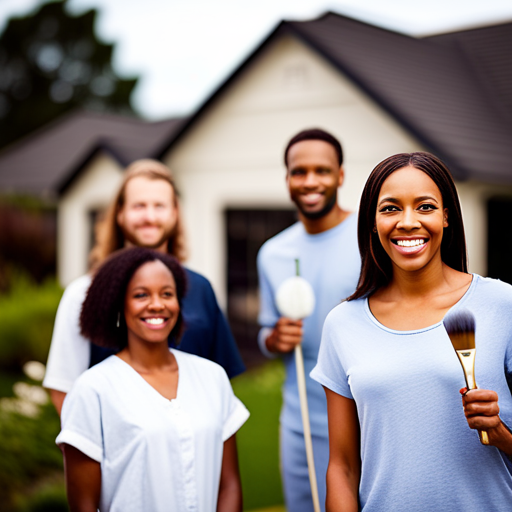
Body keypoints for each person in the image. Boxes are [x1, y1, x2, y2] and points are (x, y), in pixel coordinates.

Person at [311, 152, 512, 511]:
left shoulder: (502, 303)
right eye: (390, 208)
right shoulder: (342, 324)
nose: (407, 222)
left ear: (446, 216)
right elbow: (342, 467)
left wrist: (499, 434)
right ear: (372, 222)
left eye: (425, 207)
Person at [44, 159, 245, 414]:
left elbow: (220, 386)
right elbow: (64, 391)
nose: (149, 217)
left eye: (159, 206)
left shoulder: (201, 288)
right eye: (139, 206)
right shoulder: (83, 293)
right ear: (120, 214)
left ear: (174, 213)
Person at [56, 247, 249, 512]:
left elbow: (228, 485)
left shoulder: (212, 377)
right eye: (141, 294)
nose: (157, 304)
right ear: (118, 305)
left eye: (167, 294)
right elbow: (83, 506)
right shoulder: (93, 390)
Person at [257, 128, 360, 511]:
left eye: (322, 170)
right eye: (299, 172)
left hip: (368, 421)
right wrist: (274, 338)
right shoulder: (272, 253)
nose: (310, 181)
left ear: (341, 176)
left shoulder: (370, 236)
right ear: (287, 178)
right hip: (300, 422)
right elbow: (266, 333)